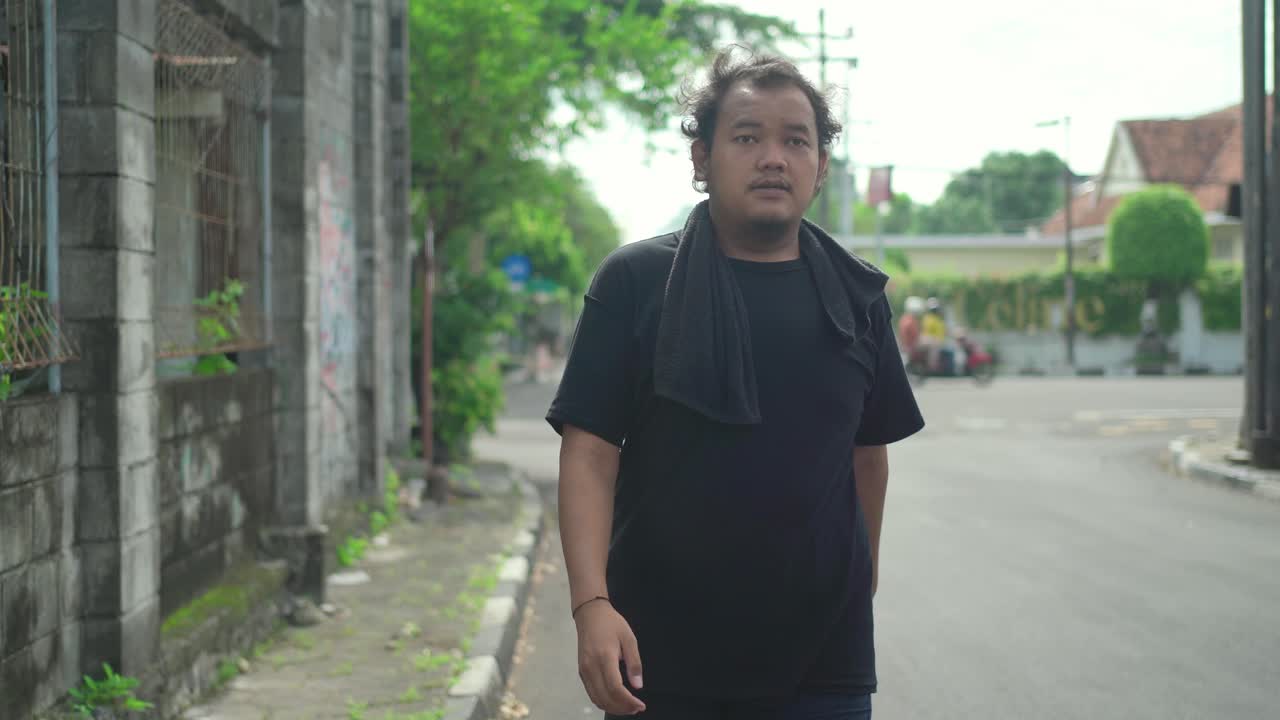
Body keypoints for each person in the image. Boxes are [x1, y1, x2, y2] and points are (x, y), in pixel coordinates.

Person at [547, 46, 925, 720]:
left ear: (822, 165)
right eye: (747, 137)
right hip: (660, 653)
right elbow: (590, 453)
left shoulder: (857, 295)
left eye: (795, 140)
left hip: (824, 664)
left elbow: (869, 455)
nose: (773, 157)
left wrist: (857, 584)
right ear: (702, 160)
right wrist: (592, 604)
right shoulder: (635, 282)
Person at [919, 297, 947, 372]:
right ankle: (932, 366)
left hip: (938, 340)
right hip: (930, 339)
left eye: (935, 309)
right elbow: (927, 331)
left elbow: (942, 331)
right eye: (933, 309)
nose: (935, 311)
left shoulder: (939, 318)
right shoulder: (928, 318)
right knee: (934, 347)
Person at [898, 296, 925, 361]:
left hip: (907, 347)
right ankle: (933, 367)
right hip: (911, 347)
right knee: (933, 344)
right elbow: (916, 338)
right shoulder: (911, 321)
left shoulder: (904, 318)